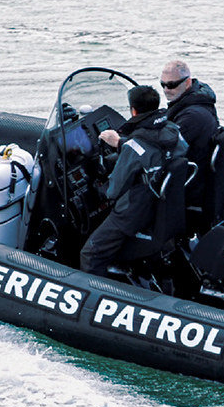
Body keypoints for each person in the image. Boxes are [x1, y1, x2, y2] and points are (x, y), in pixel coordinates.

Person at [80, 85, 188, 276]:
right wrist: (123, 144)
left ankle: (92, 291)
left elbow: (113, 191)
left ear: (134, 111)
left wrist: (99, 188)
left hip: (134, 212)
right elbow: (167, 152)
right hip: (161, 204)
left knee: (91, 254)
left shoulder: (134, 146)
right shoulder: (173, 130)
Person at [160, 60, 219, 168]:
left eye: (171, 85)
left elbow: (165, 146)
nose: (166, 90)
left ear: (187, 83)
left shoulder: (192, 116)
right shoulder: (195, 100)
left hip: (191, 171)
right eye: (162, 85)